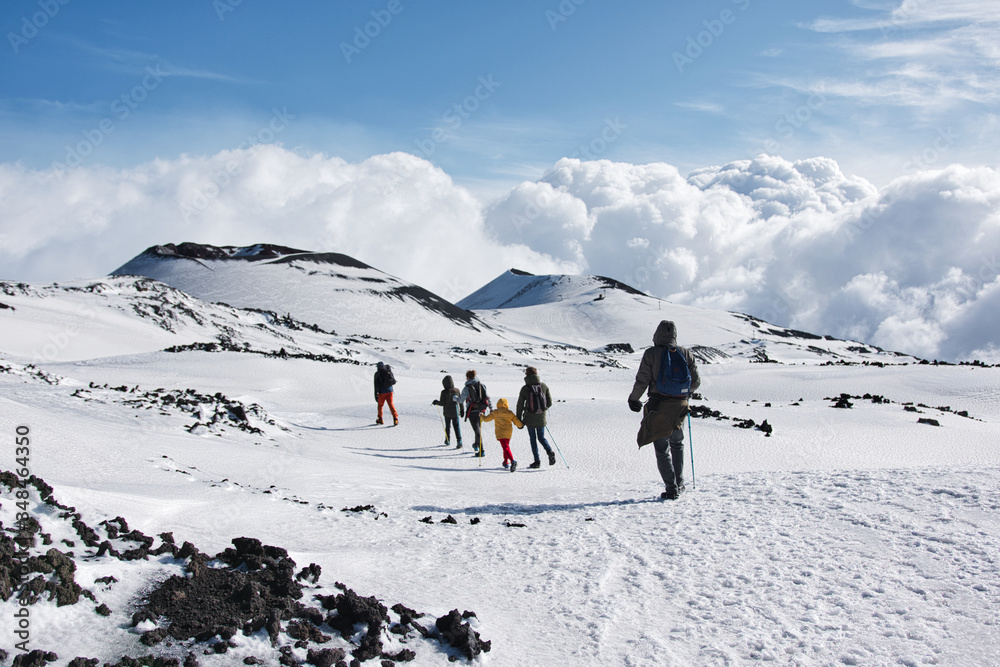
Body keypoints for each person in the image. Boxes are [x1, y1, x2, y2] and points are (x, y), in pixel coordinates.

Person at [628, 320, 701, 500]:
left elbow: (642, 380)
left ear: (657, 334)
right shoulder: (685, 353)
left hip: (659, 406)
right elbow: (696, 381)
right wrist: (683, 395)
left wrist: (633, 399)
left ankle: (671, 488)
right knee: (677, 444)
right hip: (680, 407)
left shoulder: (651, 353)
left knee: (662, 449)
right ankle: (680, 482)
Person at [515, 366, 556, 468]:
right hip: (541, 418)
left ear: (527, 375)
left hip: (529, 418)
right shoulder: (544, 386)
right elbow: (550, 402)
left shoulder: (525, 389)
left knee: (533, 439)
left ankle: (537, 461)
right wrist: (542, 410)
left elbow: (519, 405)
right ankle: (550, 451)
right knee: (541, 437)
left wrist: (518, 419)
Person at [481, 398, 523, 471]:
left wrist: (481, 416)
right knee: (505, 447)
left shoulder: (495, 412)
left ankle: (512, 461)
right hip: (508, 432)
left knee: (505, 447)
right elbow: (516, 421)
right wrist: (521, 425)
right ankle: (505, 462)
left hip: (500, 433)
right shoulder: (509, 413)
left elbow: (486, 419)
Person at [459, 369, 491, 456]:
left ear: (468, 377)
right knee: (478, 428)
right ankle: (476, 445)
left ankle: (481, 450)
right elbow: (487, 397)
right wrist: (491, 409)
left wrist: (455, 398)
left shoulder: (467, 388)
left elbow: (460, 400)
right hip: (482, 410)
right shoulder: (482, 385)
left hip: (472, 411)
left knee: (477, 430)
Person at [432, 375, 464, 447]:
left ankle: (447, 439)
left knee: (447, 426)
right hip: (455, 412)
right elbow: (460, 401)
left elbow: (443, 403)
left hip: (447, 413)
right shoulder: (457, 390)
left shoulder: (444, 392)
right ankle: (459, 441)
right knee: (456, 426)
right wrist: (462, 410)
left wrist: (436, 402)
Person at [373, 361, 399, 426]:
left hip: (382, 392)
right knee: (391, 405)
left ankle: (380, 419)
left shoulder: (377, 374)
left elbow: (376, 385)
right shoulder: (388, 371)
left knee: (380, 406)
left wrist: (376, 395)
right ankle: (395, 418)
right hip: (390, 391)